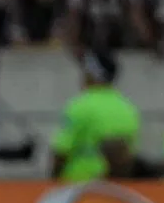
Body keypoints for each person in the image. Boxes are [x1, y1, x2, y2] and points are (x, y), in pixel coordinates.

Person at [50, 50, 141, 182]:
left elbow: (61, 152)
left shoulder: (79, 106)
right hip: (117, 189)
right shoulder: (128, 108)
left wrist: (51, 184)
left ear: (93, 74)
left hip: (78, 187)